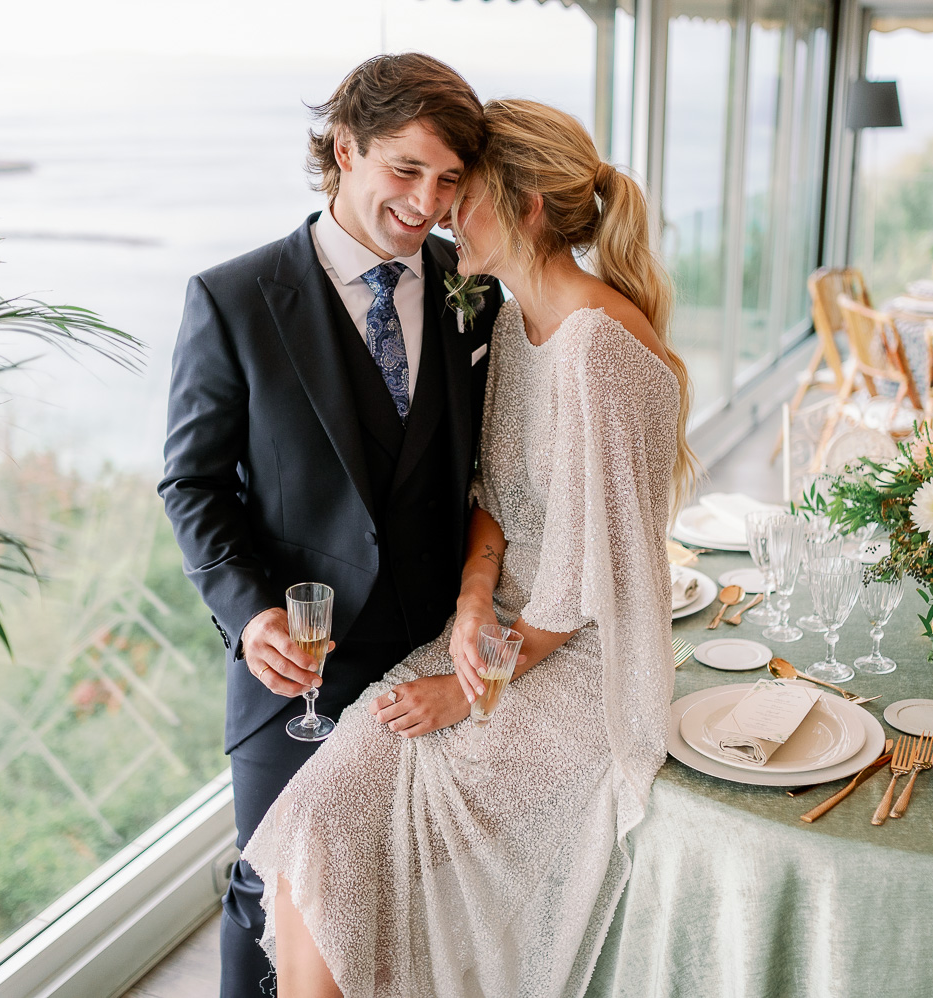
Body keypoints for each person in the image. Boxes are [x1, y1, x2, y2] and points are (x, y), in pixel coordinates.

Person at [242, 98, 697, 998]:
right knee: (311, 830)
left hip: (579, 666)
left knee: (325, 829)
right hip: (499, 635)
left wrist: (470, 685)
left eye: (464, 189)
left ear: (526, 206)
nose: (443, 213)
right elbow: (490, 495)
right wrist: (474, 600)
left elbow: (583, 583)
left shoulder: (596, 346)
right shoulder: (520, 325)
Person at [157, 54, 505, 998]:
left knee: (405, 899)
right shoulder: (233, 299)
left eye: (446, 181)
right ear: (345, 149)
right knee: (275, 893)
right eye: (405, 170)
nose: (426, 203)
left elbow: (482, 468)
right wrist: (252, 614)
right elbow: (191, 483)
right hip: (299, 665)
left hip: (434, 660)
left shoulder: (472, 287)